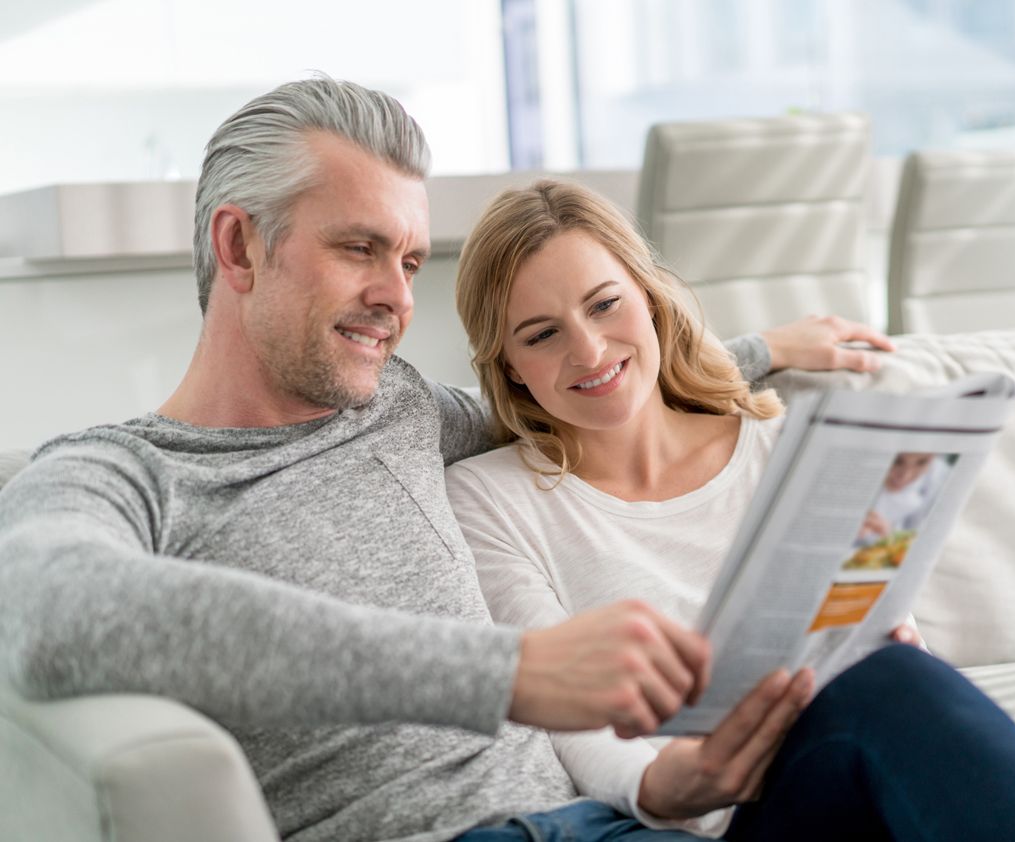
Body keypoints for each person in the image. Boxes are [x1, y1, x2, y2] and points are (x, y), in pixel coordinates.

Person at [0, 77, 900, 842]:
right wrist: (511, 674)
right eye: (360, 248)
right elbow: (50, 611)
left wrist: (765, 347)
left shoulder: (398, 410)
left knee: (900, 709)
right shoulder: (120, 472)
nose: (396, 297)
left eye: (410, 260)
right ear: (238, 245)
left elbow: (573, 383)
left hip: (608, 824)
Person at [445, 179, 1015, 840]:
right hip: (735, 813)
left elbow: (881, 636)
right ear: (509, 364)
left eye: (605, 304)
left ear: (649, 296)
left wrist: (896, 638)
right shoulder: (491, 500)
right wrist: (671, 786)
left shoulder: (783, 445)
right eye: (542, 334)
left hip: (865, 745)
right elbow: (557, 703)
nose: (590, 347)